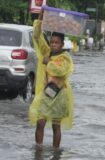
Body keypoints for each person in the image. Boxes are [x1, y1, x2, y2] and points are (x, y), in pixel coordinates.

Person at [29, 10, 74, 148]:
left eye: (57, 42)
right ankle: (38, 148)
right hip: (46, 94)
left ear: (62, 44)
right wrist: (40, 19)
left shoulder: (65, 58)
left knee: (56, 126)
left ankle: (55, 153)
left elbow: (60, 70)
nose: (54, 44)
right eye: (52, 42)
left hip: (59, 95)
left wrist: (48, 63)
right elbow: (37, 36)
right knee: (40, 122)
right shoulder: (46, 51)